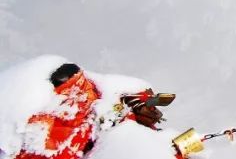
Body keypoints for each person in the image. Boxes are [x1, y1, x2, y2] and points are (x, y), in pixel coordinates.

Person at [12, 63, 171, 159]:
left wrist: (141, 101)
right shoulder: (40, 129)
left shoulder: (89, 90)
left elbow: (113, 88)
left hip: (134, 139)